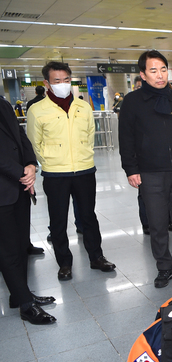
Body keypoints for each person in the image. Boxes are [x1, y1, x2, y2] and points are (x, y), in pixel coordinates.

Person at [119, 50, 172, 288]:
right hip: (149, 172)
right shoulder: (133, 102)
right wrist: (131, 169)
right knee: (157, 223)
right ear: (143, 75)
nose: (159, 75)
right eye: (153, 71)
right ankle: (164, 266)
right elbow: (126, 139)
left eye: (163, 69)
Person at [27, 61, 116, 281]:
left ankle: (97, 257)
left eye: (66, 80)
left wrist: (84, 155)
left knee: (89, 217)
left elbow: (89, 134)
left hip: (85, 170)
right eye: (57, 81)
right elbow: (33, 143)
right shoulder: (37, 110)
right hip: (55, 173)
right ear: (47, 83)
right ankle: (64, 263)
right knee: (58, 221)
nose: (63, 84)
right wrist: (49, 160)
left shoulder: (83, 106)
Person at [0, 95, 56, 325]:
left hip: (19, 186)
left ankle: (19, 293)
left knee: (21, 244)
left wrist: (31, 164)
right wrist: (22, 173)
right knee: (8, 249)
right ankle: (25, 305)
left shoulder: (2, 102)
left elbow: (20, 136)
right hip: (6, 186)